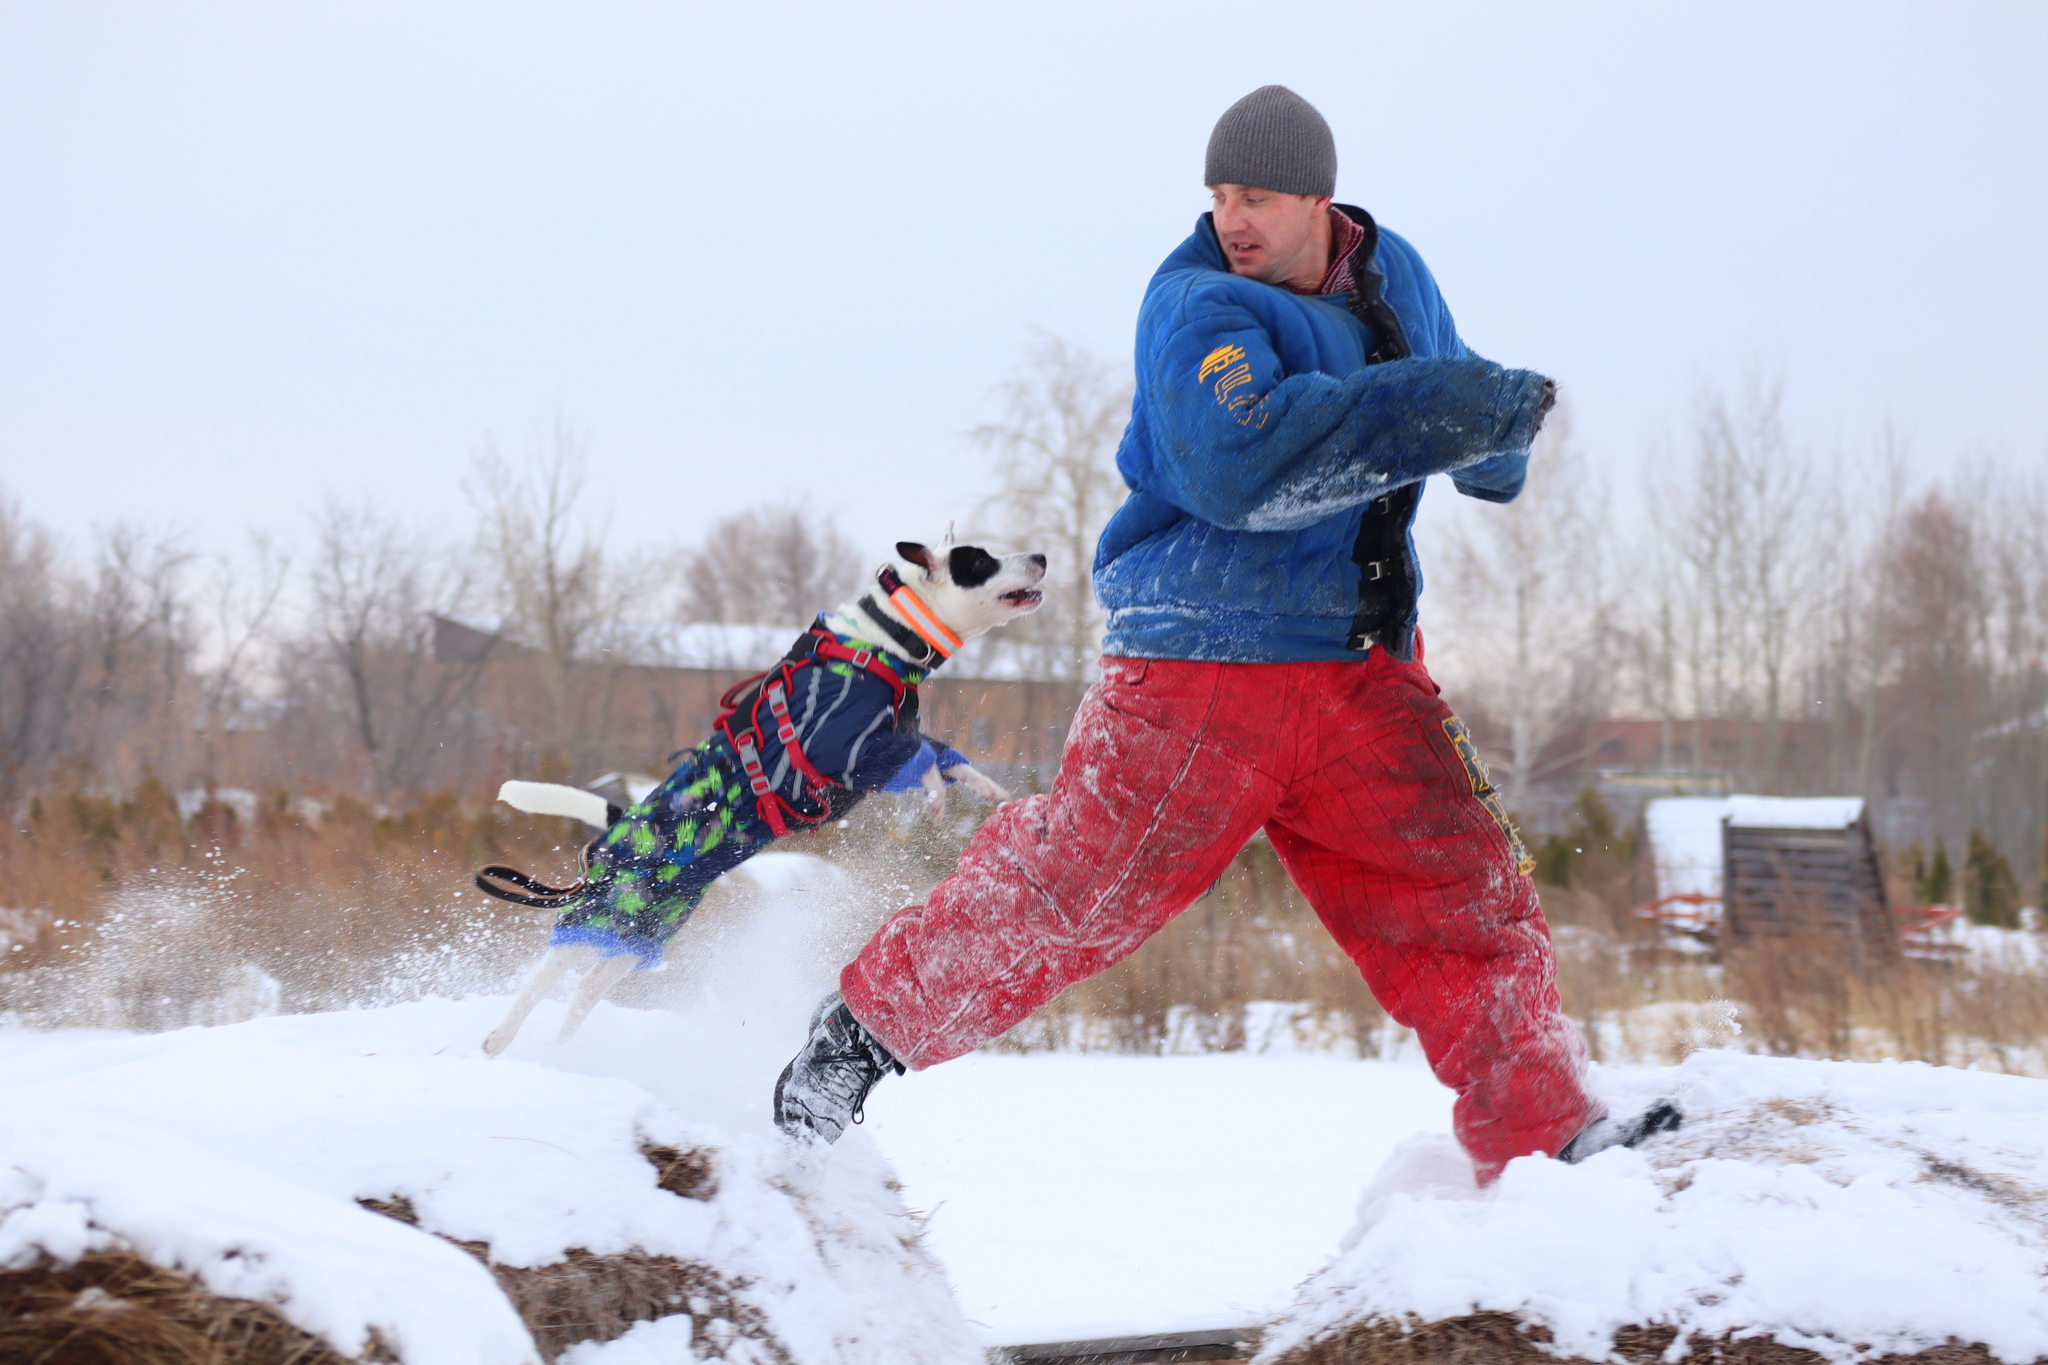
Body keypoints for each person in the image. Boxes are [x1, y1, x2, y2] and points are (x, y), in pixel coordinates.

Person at [773, 85, 1676, 1181]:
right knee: (1083, 893)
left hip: (1362, 671)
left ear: (1317, 199)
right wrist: (1438, 409)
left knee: (1463, 896)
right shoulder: (1196, 307)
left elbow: (1463, 418)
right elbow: (1244, 468)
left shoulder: (1396, 277)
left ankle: (1545, 1134)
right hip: (1204, 666)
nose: (1231, 218)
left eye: (1254, 196)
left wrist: (1496, 434)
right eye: (1216, 196)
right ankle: (851, 1044)